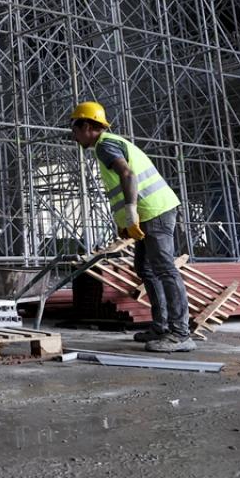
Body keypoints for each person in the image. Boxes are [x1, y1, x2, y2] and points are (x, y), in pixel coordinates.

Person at [69, 101, 195, 353]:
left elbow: (127, 175)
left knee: (164, 268)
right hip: (150, 211)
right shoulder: (108, 144)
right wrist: (124, 222)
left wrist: (131, 213)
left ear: (85, 125)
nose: (73, 136)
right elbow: (120, 184)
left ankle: (181, 333)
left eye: (74, 129)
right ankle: (160, 327)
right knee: (145, 268)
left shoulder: (105, 145)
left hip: (154, 211)